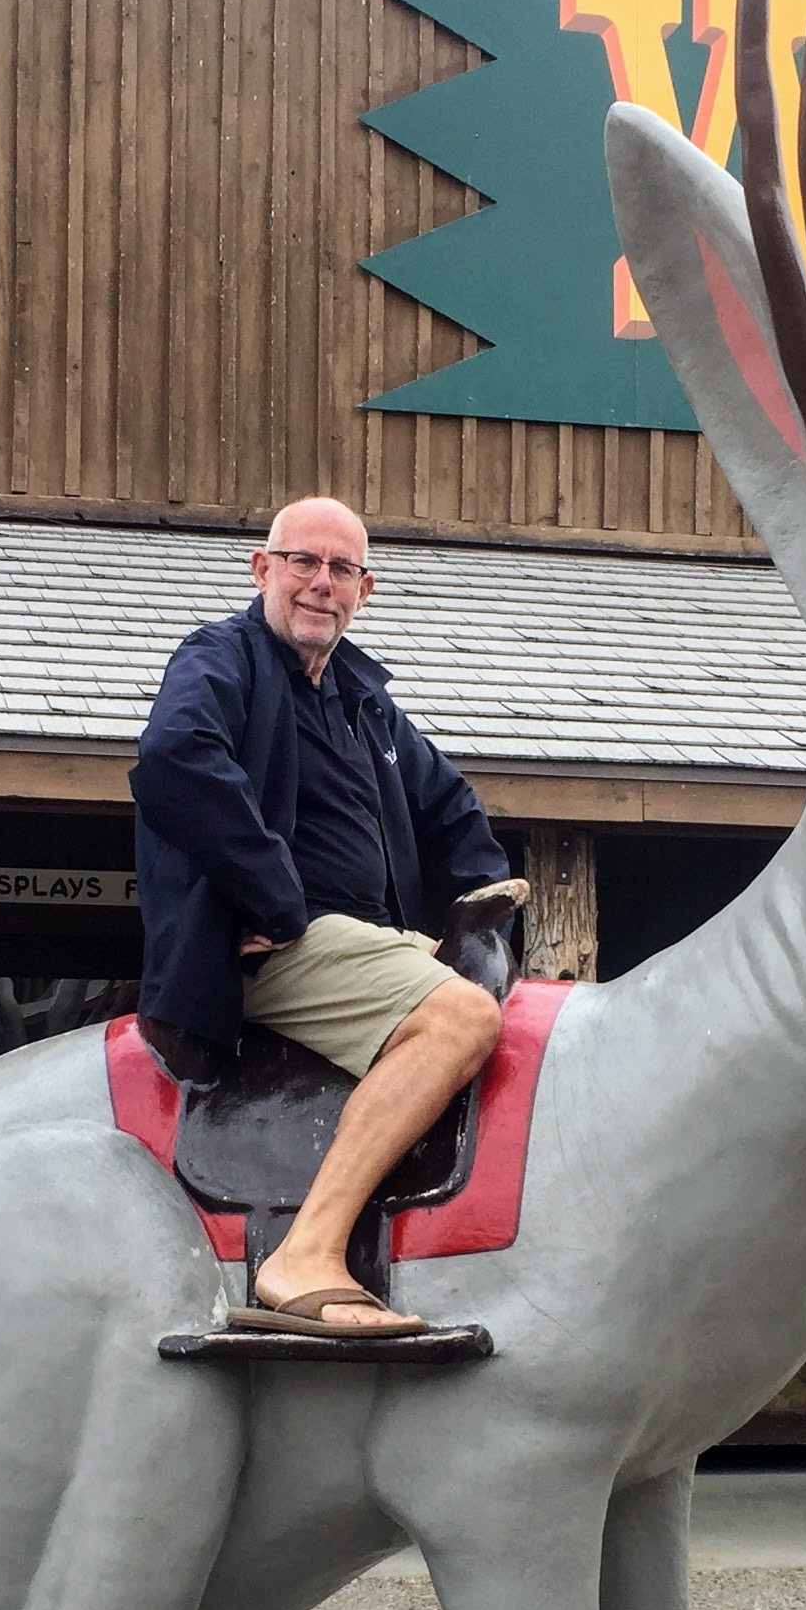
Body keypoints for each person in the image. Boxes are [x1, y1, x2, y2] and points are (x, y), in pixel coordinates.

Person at [131, 496, 515, 1336]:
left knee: (526, 1016)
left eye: (342, 569)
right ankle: (307, 1252)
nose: (321, 583)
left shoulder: (362, 702)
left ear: (365, 589)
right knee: (459, 1020)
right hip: (284, 947)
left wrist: (486, 905)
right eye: (304, 561)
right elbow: (174, 757)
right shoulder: (222, 658)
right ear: (261, 569)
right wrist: (275, 899)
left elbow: (453, 809)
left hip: (367, 944)